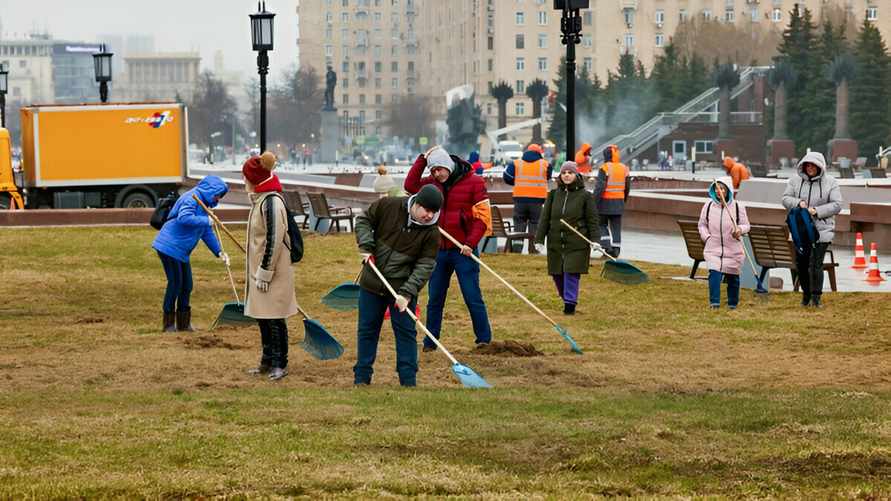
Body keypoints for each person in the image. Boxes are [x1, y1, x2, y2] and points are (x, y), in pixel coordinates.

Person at [404, 146, 493, 351]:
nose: (437, 174)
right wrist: (423, 159)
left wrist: (471, 243)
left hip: (464, 250)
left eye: (439, 169)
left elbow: (482, 218)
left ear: (449, 165)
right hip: (438, 250)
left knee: (472, 296)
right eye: (433, 170)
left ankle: (484, 339)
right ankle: (430, 341)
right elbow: (410, 185)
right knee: (435, 298)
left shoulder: (475, 182)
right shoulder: (431, 185)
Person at [354, 185, 443, 387]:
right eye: (426, 210)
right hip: (372, 282)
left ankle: (408, 380)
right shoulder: (388, 206)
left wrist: (407, 293)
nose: (429, 216)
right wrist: (366, 245)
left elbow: (425, 266)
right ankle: (361, 378)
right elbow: (363, 220)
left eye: (434, 212)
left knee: (406, 333)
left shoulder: (431, 233)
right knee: (367, 330)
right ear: (417, 204)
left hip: (402, 288)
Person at [242, 152, 298, 381]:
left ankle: (279, 363)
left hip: (273, 271)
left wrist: (265, 271)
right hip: (260, 270)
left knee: (275, 317)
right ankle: (266, 361)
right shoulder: (261, 199)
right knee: (262, 316)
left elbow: (274, 238)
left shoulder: (272, 201)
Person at [152, 176, 229, 332]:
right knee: (175, 284)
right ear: (211, 190)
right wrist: (206, 220)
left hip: (181, 250)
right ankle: (168, 325)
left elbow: (206, 231)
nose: (218, 198)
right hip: (169, 246)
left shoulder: (205, 203)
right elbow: (184, 218)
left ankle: (183, 324)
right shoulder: (192, 198)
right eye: (218, 194)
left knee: (187, 285)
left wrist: (219, 251)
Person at [535, 161, 599, 315]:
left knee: (571, 271)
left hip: (577, 241)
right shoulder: (553, 195)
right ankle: (566, 298)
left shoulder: (585, 196)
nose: (567, 175)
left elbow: (592, 219)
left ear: (576, 174)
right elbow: (545, 218)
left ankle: (570, 304)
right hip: (555, 240)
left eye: (570, 173)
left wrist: (596, 240)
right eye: (564, 173)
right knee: (557, 272)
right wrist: (539, 239)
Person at [781, 151, 842, 308]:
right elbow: (785, 198)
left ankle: (816, 297)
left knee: (816, 263)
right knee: (802, 264)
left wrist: (817, 211)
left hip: (822, 229)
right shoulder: (794, 181)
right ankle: (805, 295)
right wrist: (798, 202)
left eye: (813, 165)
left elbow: (837, 205)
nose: (810, 168)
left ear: (820, 166)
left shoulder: (831, 182)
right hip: (801, 230)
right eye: (807, 165)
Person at [698, 176, 751, 310]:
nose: (718, 191)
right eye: (716, 188)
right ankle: (714, 303)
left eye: (721, 188)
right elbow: (702, 225)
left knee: (733, 276)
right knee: (714, 273)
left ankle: (733, 303)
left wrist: (739, 230)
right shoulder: (708, 206)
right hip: (713, 247)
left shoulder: (738, 207)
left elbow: (746, 225)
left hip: (733, 248)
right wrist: (707, 237)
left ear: (728, 190)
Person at [503, 143, 552, 253]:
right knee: (536, 224)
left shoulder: (516, 163)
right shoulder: (545, 164)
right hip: (537, 201)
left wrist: (515, 182)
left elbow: (507, 176)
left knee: (519, 224)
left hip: (520, 200)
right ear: (539, 153)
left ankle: (516, 250)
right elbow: (548, 176)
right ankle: (533, 250)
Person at [592, 145, 631, 258]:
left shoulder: (605, 168)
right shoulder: (624, 168)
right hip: (619, 202)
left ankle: (607, 247)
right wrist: (624, 200)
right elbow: (627, 187)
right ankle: (616, 249)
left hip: (605, 202)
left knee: (601, 225)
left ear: (606, 155)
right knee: (616, 227)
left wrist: (593, 202)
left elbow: (600, 187)